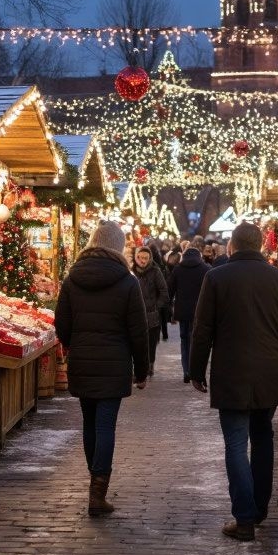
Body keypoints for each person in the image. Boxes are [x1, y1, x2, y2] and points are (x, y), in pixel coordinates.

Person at [188, 221, 278, 541]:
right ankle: (259, 508)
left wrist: (196, 371)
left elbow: (202, 330)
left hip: (231, 375)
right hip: (268, 374)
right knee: (262, 439)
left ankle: (245, 518)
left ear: (232, 247)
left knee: (236, 444)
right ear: (262, 246)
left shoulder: (216, 278)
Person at [55, 221, 150, 517]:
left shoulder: (72, 279)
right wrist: (142, 369)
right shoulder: (128, 281)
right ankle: (97, 492)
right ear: (119, 245)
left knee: (89, 421)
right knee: (105, 424)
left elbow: (62, 325)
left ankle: (94, 481)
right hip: (115, 363)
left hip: (83, 361)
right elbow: (138, 330)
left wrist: (76, 346)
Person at [169, 241, 210, 383]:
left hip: (183, 311)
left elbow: (170, 290)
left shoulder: (178, 269)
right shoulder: (205, 269)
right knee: (195, 340)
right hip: (199, 312)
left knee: (184, 340)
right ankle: (194, 370)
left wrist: (170, 309)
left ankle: (186, 370)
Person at [132, 245, 169, 375]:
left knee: (150, 343)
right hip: (134, 314)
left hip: (151, 314)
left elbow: (164, 292)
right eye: (140, 257)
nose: (142, 261)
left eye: (145, 258)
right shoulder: (131, 271)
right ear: (136, 257)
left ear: (150, 258)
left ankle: (149, 365)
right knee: (135, 342)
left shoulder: (155, 271)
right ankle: (137, 367)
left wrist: (156, 306)